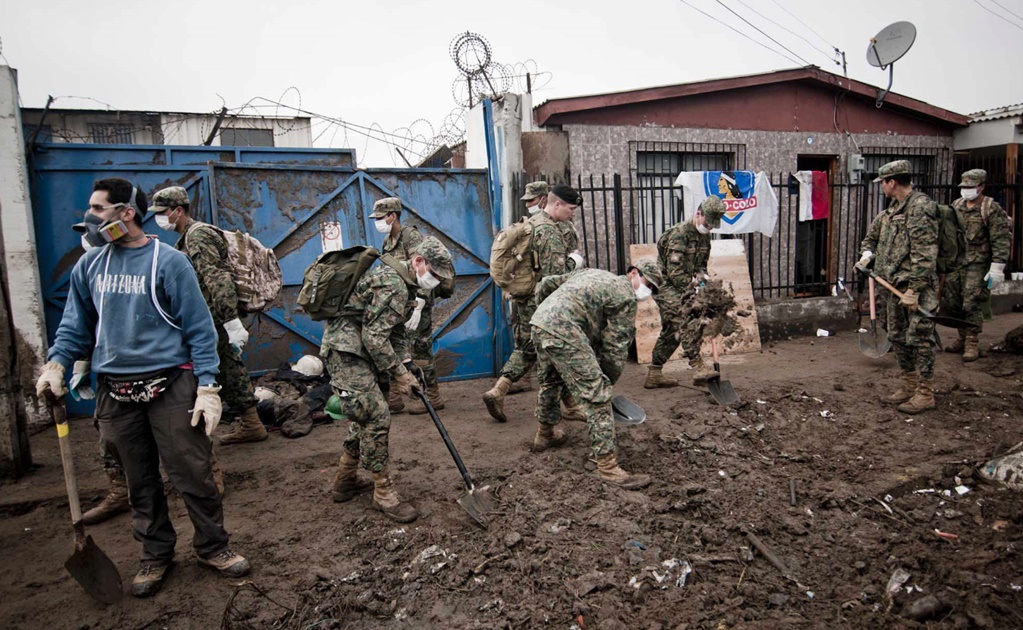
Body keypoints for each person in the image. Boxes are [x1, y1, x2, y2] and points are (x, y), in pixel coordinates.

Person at [35, 178, 248, 598]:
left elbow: (199, 328)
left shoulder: (169, 262)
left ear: (125, 213)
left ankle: (213, 547)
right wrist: (57, 364)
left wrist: (208, 385)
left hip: (171, 385)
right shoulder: (90, 266)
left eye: (97, 209)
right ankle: (155, 555)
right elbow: (74, 326)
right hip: (115, 390)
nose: (89, 217)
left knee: (193, 473)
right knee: (139, 481)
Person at [321, 235, 455, 523]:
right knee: (377, 415)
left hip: (364, 351)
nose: (434, 281)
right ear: (418, 261)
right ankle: (383, 492)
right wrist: (400, 374)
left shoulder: (406, 284)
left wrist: (406, 363)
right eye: (433, 274)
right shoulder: (393, 284)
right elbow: (374, 336)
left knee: (367, 416)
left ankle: (344, 480)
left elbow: (393, 332)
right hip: (347, 352)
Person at [528, 262, 663, 490]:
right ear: (633, 273)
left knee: (551, 382)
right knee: (598, 397)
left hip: (540, 323)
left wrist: (547, 311)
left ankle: (546, 434)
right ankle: (608, 468)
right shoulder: (625, 297)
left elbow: (545, 283)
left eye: (652, 288)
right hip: (564, 330)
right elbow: (616, 348)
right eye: (647, 282)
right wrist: (605, 380)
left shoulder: (592, 272)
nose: (647, 290)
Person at [150, 186, 267, 445]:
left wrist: (230, 321)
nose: (159, 218)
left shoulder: (198, 235)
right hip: (211, 316)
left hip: (217, 317)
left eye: (163, 212)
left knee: (227, 368)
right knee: (225, 369)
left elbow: (217, 277)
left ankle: (251, 424)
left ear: (178, 211)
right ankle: (249, 422)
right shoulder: (188, 237)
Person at [483, 183, 587, 423]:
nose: (573, 213)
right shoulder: (549, 231)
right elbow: (553, 277)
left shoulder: (532, 224)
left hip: (526, 298)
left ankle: (498, 391)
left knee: (527, 348)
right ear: (557, 204)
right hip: (545, 303)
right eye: (571, 209)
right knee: (557, 353)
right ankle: (566, 407)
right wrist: (575, 262)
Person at [859, 160, 940, 414]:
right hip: (891, 288)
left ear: (891, 182)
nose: (881, 187)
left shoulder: (920, 207)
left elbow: (925, 253)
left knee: (920, 338)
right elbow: (871, 238)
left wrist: (914, 290)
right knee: (898, 337)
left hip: (914, 289)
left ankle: (925, 393)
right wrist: (866, 256)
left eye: (882, 182)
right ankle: (908, 384)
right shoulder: (890, 211)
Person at [371, 197, 454, 416]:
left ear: (393, 215)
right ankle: (396, 395)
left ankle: (432, 396)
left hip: (418, 302)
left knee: (420, 348)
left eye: (380, 217)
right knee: (393, 343)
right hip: (399, 301)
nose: (378, 222)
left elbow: (425, 269)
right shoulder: (388, 241)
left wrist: (420, 304)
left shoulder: (410, 236)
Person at [645, 196, 727, 388]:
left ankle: (654, 373)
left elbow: (701, 266)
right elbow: (675, 273)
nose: (710, 228)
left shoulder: (705, 237)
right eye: (708, 223)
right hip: (665, 285)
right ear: (698, 214)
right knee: (684, 319)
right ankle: (698, 366)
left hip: (684, 286)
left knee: (672, 331)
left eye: (714, 225)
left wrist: (704, 284)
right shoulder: (679, 235)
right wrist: (693, 292)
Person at [940, 169, 1012, 362]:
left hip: (978, 262)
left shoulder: (990, 208)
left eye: (971, 187)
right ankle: (962, 337)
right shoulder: (956, 205)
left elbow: (1000, 239)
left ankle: (972, 341)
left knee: (972, 301)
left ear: (981, 187)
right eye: (964, 187)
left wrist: (997, 268)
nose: (967, 190)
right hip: (957, 261)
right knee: (953, 301)